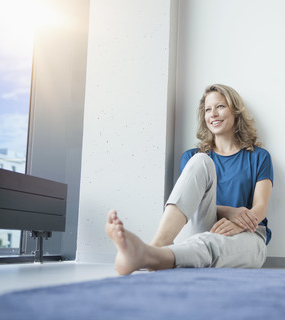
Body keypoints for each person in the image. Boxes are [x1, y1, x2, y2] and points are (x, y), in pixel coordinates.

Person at [105, 84, 273, 275]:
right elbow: (191, 203)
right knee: (201, 159)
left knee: (210, 244)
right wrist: (229, 211)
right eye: (208, 110)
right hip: (200, 226)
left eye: (220, 106)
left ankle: (148, 255)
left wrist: (236, 224)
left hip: (247, 233)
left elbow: (260, 208)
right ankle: (158, 245)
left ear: (235, 111)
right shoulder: (192, 158)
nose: (213, 114)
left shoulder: (259, 157)